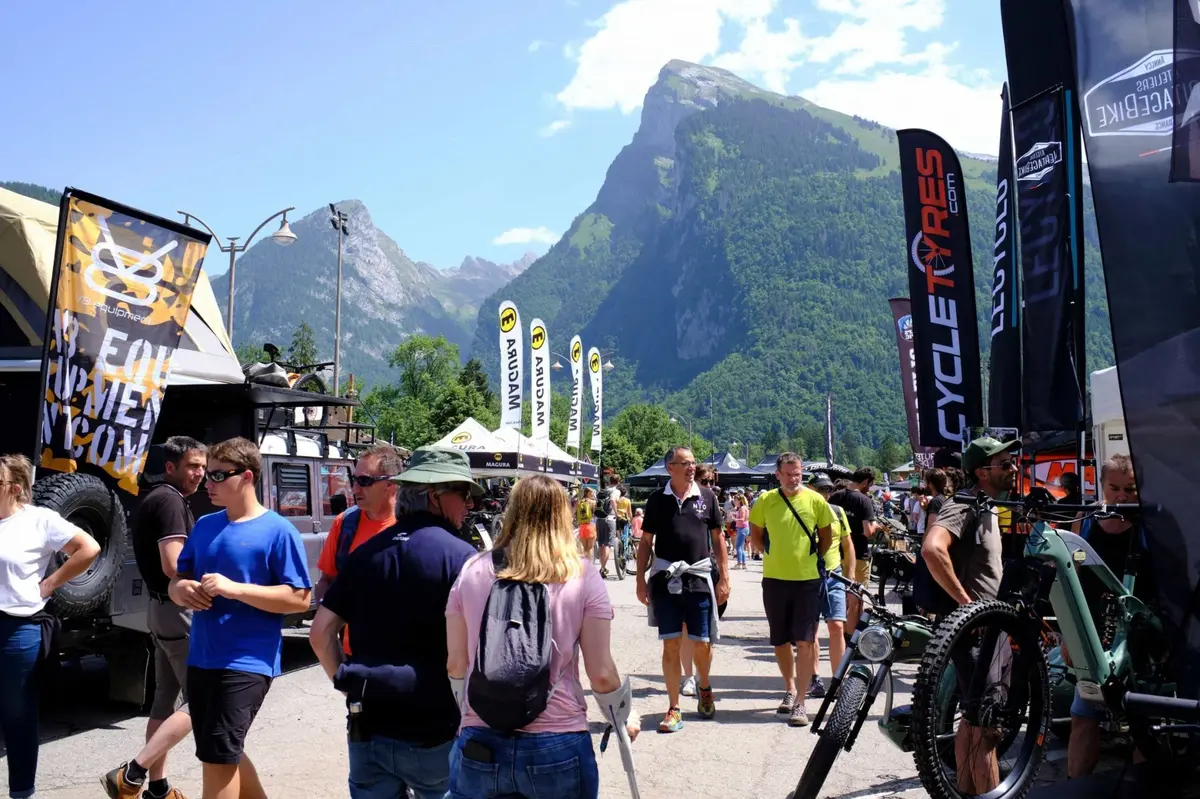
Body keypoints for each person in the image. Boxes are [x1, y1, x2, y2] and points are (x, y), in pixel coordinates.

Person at [446, 474, 639, 799]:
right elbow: (601, 673)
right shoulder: (581, 575)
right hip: (557, 740)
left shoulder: (472, 570)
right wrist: (622, 716)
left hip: (481, 739)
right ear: (564, 515)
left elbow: (456, 663)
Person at [310, 446, 479, 798]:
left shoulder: (364, 555)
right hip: (434, 729)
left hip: (367, 725)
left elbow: (319, 632)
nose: (470, 505)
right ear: (435, 496)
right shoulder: (463, 560)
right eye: (463, 494)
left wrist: (343, 679)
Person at [169, 437, 312, 799]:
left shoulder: (279, 531)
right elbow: (176, 580)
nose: (208, 483)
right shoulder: (204, 525)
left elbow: (299, 598)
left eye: (217, 475)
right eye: (207, 474)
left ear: (246, 476)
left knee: (218, 757)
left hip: (247, 662)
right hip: (202, 657)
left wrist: (235, 589)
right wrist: (180, 591)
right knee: (221, 752)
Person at [105, 437, 208, 799]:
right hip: (177, 610)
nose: (200, 473)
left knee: (165, 698)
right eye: (193, 466)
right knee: (205, 699)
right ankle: (132, 774)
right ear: (171, 467)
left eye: (202, 466)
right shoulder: (169, 502)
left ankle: (158, 788)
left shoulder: (160, 497)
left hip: (161, 609)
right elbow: (173, 564)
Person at [922, 435, 1019, 795]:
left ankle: (965, 792)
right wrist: (967, 605)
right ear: (981, 472)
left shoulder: (988, 505)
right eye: (1005, 464)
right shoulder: (965, 504)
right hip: (977, 632)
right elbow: (932, 549)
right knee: (988, 729)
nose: (1013, 468)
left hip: (986, 626)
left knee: (972, 723)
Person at [0, 454, 100, 799]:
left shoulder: (38, 520)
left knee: (17, 713)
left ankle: (21, 792)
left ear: (14, 488)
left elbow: (89, 548)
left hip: (18, 628)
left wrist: (51, 583)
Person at [1066, 454, 1149, 779]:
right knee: (1084, 718)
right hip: (1095, 636)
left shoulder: (1151, 524)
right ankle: (1076, 788)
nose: (1122, 496)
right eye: (1114, 488)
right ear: (1101, 486)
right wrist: (1070, 638)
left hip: (1142, 640)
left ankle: (1145, 787)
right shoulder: (1085, 521)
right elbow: (1071, 581)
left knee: (1146, 724)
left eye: (1130, 489)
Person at [635, 447, 728, 732]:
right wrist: (640, 578)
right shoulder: (656, 500)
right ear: (669, 468)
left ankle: (704, 686)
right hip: (666, 580)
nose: (691, 468)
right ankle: (674, 707)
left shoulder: (708, 497)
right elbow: (645, 542)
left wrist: (724, 578)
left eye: (692, 463)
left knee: (701, 642)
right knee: (671, 643)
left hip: (699, 578)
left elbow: (719, 538)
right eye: (684, 463)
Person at [748, 453, 833, 727]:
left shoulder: (816, 500)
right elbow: (756, 533)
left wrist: (809, 559)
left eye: (797, 474)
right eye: (788, 473)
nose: (793, 478)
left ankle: (801, 703)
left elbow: (827, 538)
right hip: (774, 579)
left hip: (808, 581)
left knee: (806, 640)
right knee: (781, 639)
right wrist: (769, 554)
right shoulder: (765, 501)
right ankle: (790, 689)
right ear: (778, 474)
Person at [313, 445, 402, 662]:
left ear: (391, 483)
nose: (354, 489)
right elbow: (327, 581)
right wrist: (329, 615)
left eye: (364, 481)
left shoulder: (412, 524)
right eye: (354, 480)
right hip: (355, 654)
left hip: (403, 655)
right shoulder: (345, 523)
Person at [807, 474, 854, 698]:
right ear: (810, 489)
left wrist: (850, 578)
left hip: (834, 574)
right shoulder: (804, 511)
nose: (825, 494)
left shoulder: (837, 511)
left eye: (827, 490)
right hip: (809, 576)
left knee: (836, 627)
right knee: (812, 630)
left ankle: (839, 680)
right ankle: (814, 678)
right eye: (820, 489)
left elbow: (848, 545)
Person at [829, 467, 877, 632]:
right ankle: (851, 636)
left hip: (836, 554)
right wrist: (876, 526)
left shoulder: (835, 497)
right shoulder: (864, 500)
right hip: (858, 555)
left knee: (840, 595)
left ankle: (839, 631)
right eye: (870, 484)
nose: (869, 488)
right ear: (865, 482)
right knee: (856, 597)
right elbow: (868, 532)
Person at [595, 473, 620, 579]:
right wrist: (617, 514)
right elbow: (613, 500)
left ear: (609, 481)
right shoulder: (616, 491)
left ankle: (602, 566)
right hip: (610, 518)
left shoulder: (603, 490)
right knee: (607, 544)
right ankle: (603, 568)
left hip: (599, 518)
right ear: (618, 482)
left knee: (601, 544)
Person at [576, 487, 596, 560]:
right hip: (590, 525)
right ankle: (589, 565)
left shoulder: (579, 502)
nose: (593, 494)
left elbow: (574, 512)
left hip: (582, 526)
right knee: (590, 548)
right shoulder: (593, 502)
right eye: (592, 493)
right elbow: (596, 513)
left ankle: (585, 563)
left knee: (585, 548)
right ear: (588, 493)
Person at [732, 493, 750, 570]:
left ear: (740, 500)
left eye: (735, 500)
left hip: (742, 528)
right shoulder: (743, 508)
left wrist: (734, 519)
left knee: (738, 546)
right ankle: (744, 563)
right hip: (744, 528)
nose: (734, 501)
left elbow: (742, 519)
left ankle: (739, 563)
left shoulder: (742, 508)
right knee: (741, 547)